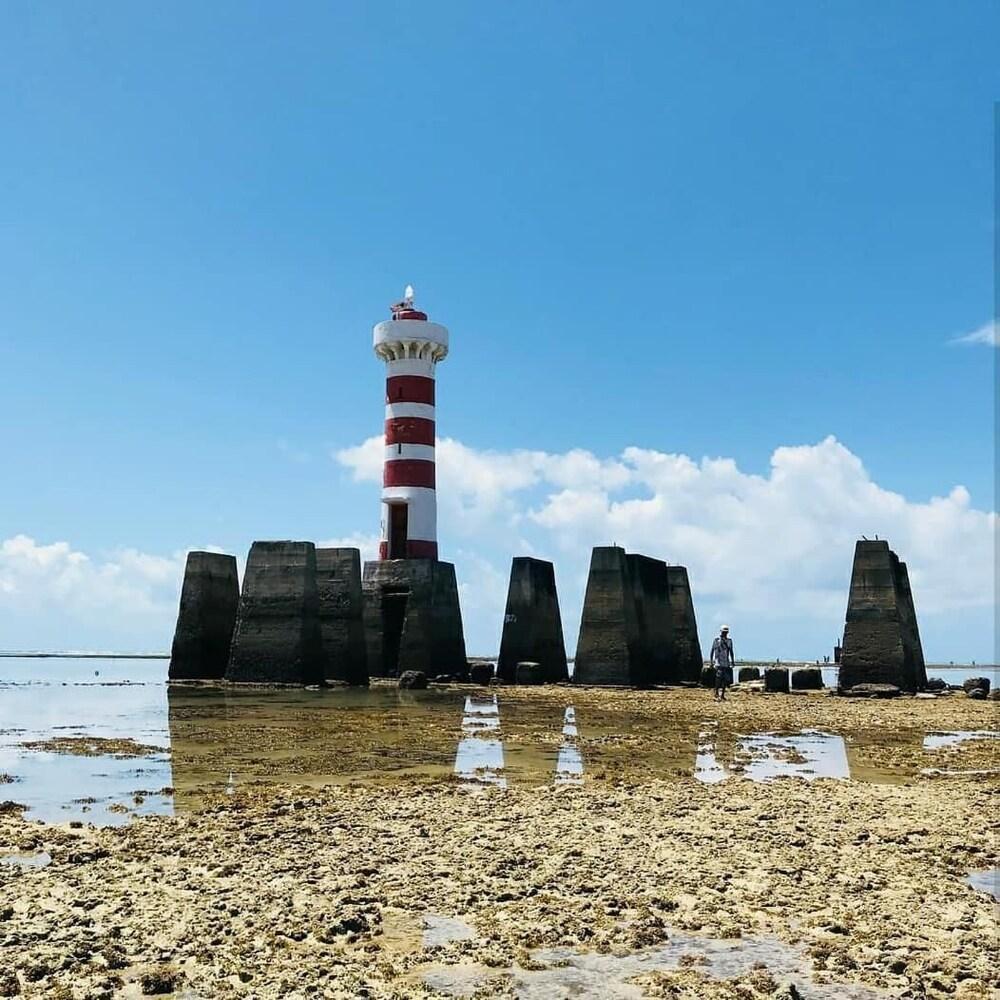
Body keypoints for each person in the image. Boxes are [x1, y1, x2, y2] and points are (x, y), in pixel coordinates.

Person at [710, 625, 735, 701]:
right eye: (724, 632)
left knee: (725, 679)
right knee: (718, 678)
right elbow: (712, 651)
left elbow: (731, 652)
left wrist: (732, 661)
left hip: (726, 662)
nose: (725, 634)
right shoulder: (716, 640)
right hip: (718, 662)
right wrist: (711, 661)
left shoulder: (729, 641)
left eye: (726, 632)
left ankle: (722, 694)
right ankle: (716, 691)